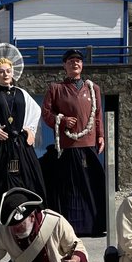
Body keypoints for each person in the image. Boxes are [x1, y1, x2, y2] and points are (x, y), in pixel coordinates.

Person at [0, 46, 46, 241]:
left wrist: (30, 129)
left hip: (22, 146)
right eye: (1, 72)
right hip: (1, 147)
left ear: (13, 72)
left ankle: (34, 225)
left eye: (8, 71)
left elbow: (35, 111)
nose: (5, 74)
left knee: (30, 182)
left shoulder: (22, 93)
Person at [40, 49, 106, 236]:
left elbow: (98, 114)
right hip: (68, 146)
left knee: (91, 186)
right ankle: (68, 228)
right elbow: (46, 113)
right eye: (70, 61)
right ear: (64, 66)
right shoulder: (56, 88)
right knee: (69, 188)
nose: (74, 64)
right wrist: (61, 119)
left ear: (82, 65)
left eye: (78, 61)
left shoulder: (93, 89)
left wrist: (100, 135)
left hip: (89, 144)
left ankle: (95, 225)